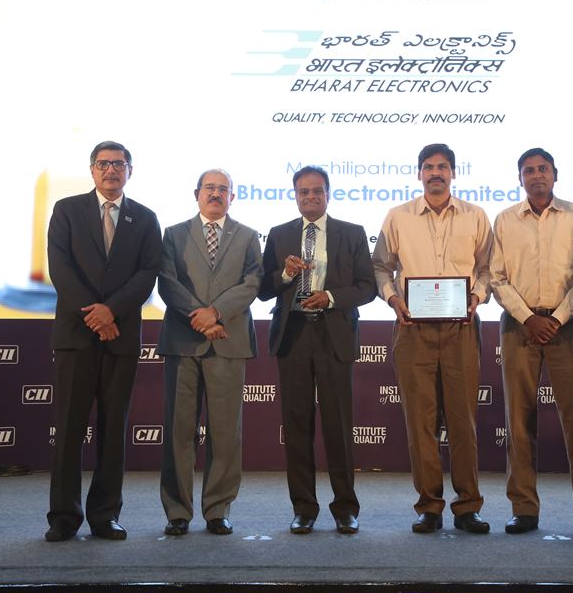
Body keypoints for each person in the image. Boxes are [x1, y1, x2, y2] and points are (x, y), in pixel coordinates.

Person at [371, 143, 494, 534]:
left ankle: (467, 506)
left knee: (463, 421)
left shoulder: (476, 216)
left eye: (442, 166)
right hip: (413, 329)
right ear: (419, 173)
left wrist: (477, 296)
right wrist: (393, 299)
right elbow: (380, 267)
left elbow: (488, 268)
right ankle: (429, 506)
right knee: (420, 422)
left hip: (461, 327)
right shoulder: (398, 217)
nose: (435, 172)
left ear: (454, 173)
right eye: (428, 167)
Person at [489, 148, 573, 537]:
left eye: (543, 169)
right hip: (519, 327)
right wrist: (529, 318)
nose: (537, 175)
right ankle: (523, 509)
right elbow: (496, 278)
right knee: (518, 421)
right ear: (520, 179)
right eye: (529, 170)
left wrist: (556, 319)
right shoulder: (505, 220)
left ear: (555, 174)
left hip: (567, 327)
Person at [44, 141, 161, 542]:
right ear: (92, 169)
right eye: (104, 163)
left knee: (113, 431)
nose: (111, 170)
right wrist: (95, 315)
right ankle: (63, 516)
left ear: (130, 170)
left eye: (119, 164)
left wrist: (111, 311)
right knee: (69, 429)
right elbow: (60, 268)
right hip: (76, 336)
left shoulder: (145, 218)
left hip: (120, 336)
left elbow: (148, 273)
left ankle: (105, 515)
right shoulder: (66, 210)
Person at [259, 166, 376, 535]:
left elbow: (367, 287)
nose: (310, 197)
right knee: (296, 426)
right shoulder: (279, 234)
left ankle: (345, 508)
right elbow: (263, 289)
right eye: (303, 192)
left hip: (333, 334)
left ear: (328, 193)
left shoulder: (352, 233)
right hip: (292, 335)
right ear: (295, 195)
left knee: (338, 426)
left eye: (317, 191)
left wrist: (331, 297)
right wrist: (285, 275)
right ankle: (303, 508)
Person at [156, 169, 262, 536]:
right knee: (179, 430)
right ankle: (177, 511)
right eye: (209, 188)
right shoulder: (173, 234)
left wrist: (216, 313)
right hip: (183, 341)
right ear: (196, 193)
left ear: (232, 197)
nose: (215, 194)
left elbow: (252, 283)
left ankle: (218, 509)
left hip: (228, 340)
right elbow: (168, 282)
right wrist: (200, 318)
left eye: (223, 189)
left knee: (225, 432)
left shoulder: (248, 236)